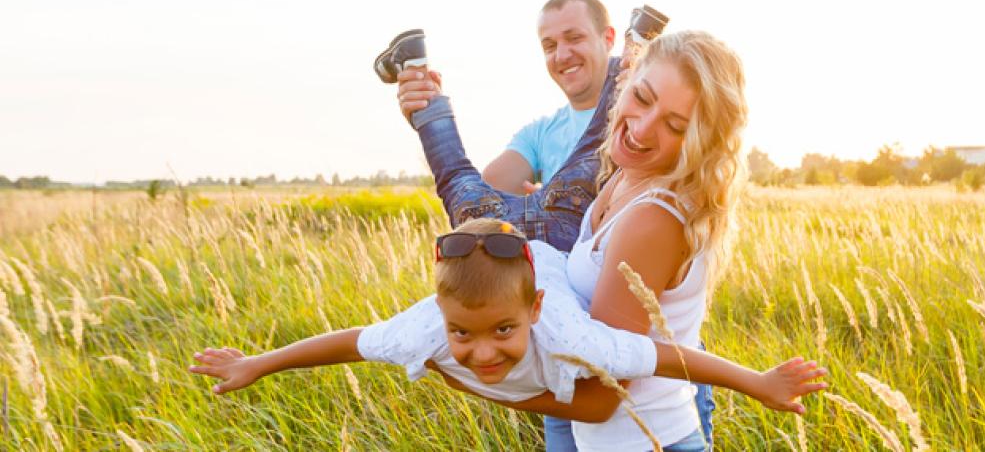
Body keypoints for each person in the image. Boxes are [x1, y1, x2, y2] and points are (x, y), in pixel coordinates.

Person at [187, 219, 826, 426]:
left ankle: (626, 58)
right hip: (502, 260)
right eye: (463, 333)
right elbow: (348, 342)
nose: (484, 352)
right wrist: (256, 364)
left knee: (565, 196)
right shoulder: (424, 329)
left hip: (544, 257)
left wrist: (758, 383)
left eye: (502, 331)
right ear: (442, 317)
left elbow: (664, 356)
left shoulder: (568, 334)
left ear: (533, 317)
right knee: (464, 187)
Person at [444, 30, 748, 452]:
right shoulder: (625, 178)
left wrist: (467, 377)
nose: (641, 129)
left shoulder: (653, 219)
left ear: (701, 141)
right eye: (641, 98)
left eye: (674, 125)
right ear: (624, 82)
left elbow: (604, 397)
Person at [396, 0, 621, 252]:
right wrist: (428, 111)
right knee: (469, 202)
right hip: (544, 271)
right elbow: (484, 203)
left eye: (575, 38)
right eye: (549, 46)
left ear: (608, 38)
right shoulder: (539, 133)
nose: (561, 55)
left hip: (606, 269)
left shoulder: (643, 116)